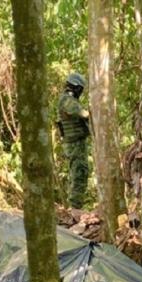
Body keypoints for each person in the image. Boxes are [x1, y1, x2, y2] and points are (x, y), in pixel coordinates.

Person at [57, 72, 91, 209]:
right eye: (80, 89)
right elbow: (82, 113)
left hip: (76, 143)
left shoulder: (69, 100)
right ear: (76, 87)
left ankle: (75, 206)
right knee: (79, 174)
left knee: (79, 172)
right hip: (74, 144)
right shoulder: (67, 100)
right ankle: (75, 207)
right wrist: (91, 113)